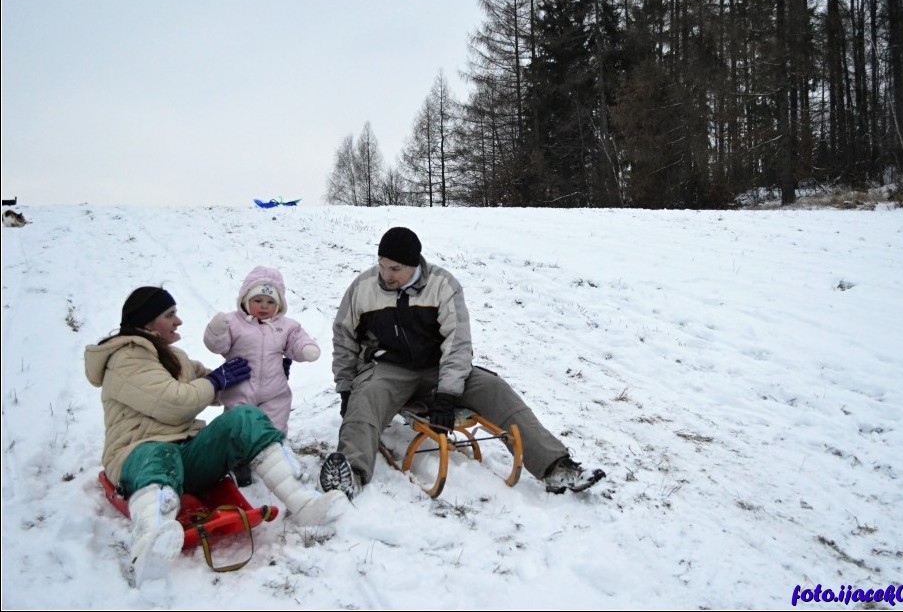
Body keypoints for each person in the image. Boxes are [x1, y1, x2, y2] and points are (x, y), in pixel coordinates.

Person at [85, 286, 348, 586]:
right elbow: (174, 402)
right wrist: (214, 380)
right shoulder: (126, 359)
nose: (179, 321)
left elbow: (215, 385)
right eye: (170, 315)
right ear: (147, 323)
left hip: (186, 457)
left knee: (246, 418)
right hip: (140, 454)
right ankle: (150, 542)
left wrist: (264, 373)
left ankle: (303, 503)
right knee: (159, 452)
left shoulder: (173, 356)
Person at [319, 227, 605, 498]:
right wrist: (346, 387)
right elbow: (344, 337)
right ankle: (351, 474)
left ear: (414, 264)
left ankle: (556, 467)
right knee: (365, 396)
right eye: (382, 265)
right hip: (388, 369)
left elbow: (457, 343)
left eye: (395, 269)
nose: (386, 275)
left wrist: (447, 393)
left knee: (495, 388)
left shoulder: (443, 285)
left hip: (439, 367)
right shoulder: (363, 287)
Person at [203, 266, 320, 485]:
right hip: (240, 389)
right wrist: (215, 331)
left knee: (274, 428)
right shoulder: (233, 323)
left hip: (274, 391)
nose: (264, 306)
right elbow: (218, 345)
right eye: (258, 300)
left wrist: (306, 349)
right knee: (239, 429)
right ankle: (240, 464)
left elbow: (296, 340)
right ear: (246, 300)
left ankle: (278, 460)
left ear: (279, 305)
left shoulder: (285, 326)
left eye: (270, 302)